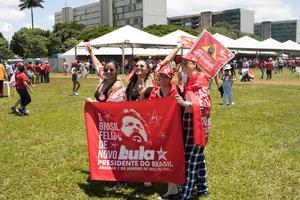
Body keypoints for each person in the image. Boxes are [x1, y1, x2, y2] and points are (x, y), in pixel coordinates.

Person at [175, 57, 212, 200]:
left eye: (186, 63)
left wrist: (184, 104)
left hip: (198, 125)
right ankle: (203, 188)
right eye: (182, 63)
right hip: (189, 122)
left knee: (191, 159)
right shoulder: (188, 80)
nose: (183, 65)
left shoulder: (201, 78)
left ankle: (186, 193)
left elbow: (204, 105)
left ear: (194, 64)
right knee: (198, 156)